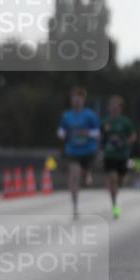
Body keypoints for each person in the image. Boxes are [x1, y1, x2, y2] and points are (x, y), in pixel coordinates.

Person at [57, 86, 100, 219]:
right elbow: (61, 130)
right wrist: (62, 134)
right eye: (74, 98)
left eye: (79, 98)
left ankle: (87, 173)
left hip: (87, 151)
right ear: (71, 100)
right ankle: (75, 206)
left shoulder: (90, 115)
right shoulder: (66, 115)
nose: (76, 101)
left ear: (83, 100)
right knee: (73, 175)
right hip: (72, 150)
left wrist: (87, 133)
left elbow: (97, 132)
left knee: (84, 179)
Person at [101, 95, 136, 219]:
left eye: (116, 106)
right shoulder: (105, 121)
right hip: (109, 155)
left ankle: (116, 193)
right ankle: (115, 205)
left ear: (120, 108)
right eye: (112, 106)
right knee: (113, 179)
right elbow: (100, 136)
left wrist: (124, 142)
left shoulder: (125, 122)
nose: (114, 108)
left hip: (122, 155)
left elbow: (133, 136)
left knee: (119, 181)